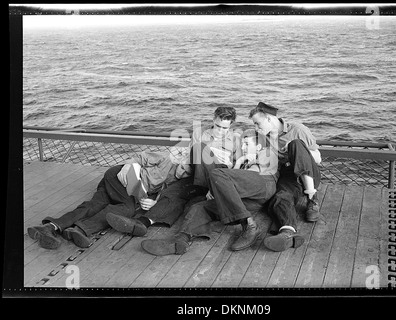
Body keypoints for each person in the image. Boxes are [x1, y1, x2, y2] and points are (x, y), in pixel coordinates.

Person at [105, 106, 243, 237]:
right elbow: (191, 159)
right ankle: (142, 223)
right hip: (198, 176)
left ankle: (212, 188)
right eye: (218, 126)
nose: (220, 131)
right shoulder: (199, 133)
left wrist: (222, 177)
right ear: (213, 120)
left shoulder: (236, 140)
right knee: (175, 192)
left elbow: (239, 166)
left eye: (225, 128)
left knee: (201, 151)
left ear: (231, 125)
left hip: (220, 176)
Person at [139, 128, 280, 256]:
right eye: (242, 144)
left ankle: (249, 225)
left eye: (247, 144)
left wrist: (240, 163)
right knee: (199, 207)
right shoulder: (244, 159)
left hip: (262, 186)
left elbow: (254, 174)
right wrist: (234, 169)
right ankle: (181, 240)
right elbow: (237, 179)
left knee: (217, 174)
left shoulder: (266, 154)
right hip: (246, 201)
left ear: (259, 146)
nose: (243, 147)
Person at [27, 150, 191, 250]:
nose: (182, 173)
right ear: (182, 161)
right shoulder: (167, 158)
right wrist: (127, 166)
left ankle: (50, 227)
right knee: (127, 208)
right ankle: (81, 230)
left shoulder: (175, 182)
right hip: (120, 176)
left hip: (122, 187)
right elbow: (139, 158)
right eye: (183, 168)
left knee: (94, 205)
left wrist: (153, 202)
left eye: (187, 173)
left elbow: (163, 195)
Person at [249, 102, 322, 252]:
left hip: (309, 174)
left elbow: (318, 158)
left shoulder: (298, 129)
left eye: (258, 124)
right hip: (288, 175)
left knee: (295, 144)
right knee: (280, 197)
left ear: (269, 119)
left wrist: (294, 150)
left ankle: (312, 198)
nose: (256, 128)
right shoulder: (263, 136)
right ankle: (287, 233)